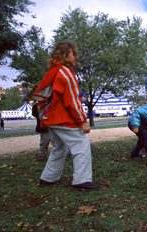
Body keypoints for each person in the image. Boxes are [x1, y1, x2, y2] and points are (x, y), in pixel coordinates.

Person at [32, 41, 98, 191]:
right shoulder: (65, 73)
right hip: (62, 118)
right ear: (64, 54)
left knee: (59, 147)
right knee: (81, 144)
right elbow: (72, 101)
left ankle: (48, 178)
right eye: (73, 54)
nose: (76, 57)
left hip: (50, 118)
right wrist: (82, 121)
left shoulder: (53, 71)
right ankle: (81, 180)